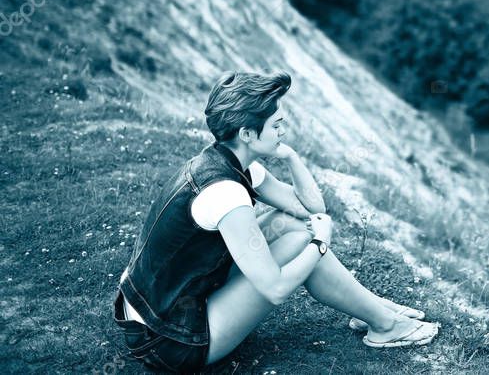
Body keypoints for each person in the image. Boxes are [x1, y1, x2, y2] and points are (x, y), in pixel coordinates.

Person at [112, 70, 438, 371]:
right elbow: (276, 288)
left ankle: (369, 310)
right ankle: (383, 323)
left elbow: (309, 208)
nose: (284, 129)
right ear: (248, 134)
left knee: (294, 226)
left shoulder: (228, 162)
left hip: (154, 308)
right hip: (167, 339)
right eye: (277, 125)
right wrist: (320, 243)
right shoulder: (225, 191)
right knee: (301, 241)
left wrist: (291, 156)